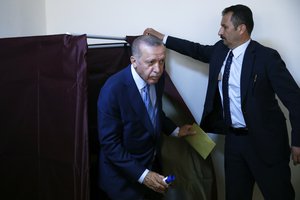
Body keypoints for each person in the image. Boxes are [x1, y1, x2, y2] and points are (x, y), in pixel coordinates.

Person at [144, 4, 300, 200]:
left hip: (266, 143)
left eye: (225, 27)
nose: (220, 32)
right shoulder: (220, 50)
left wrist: (297, 141)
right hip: (234, 141)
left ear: (241, 28)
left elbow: (295, 99)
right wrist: (163, 38)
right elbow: (195, 50)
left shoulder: (266, 58)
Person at [97, 35, 195, 200]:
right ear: (134, 61)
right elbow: (110, 144)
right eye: (151, 62)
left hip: (152, 167)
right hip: (123, 181)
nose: (158, 69)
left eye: (162, 61)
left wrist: (176, 131)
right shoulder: (113, 90)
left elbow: (154, 112)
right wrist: (144, 175)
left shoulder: (158, 78)